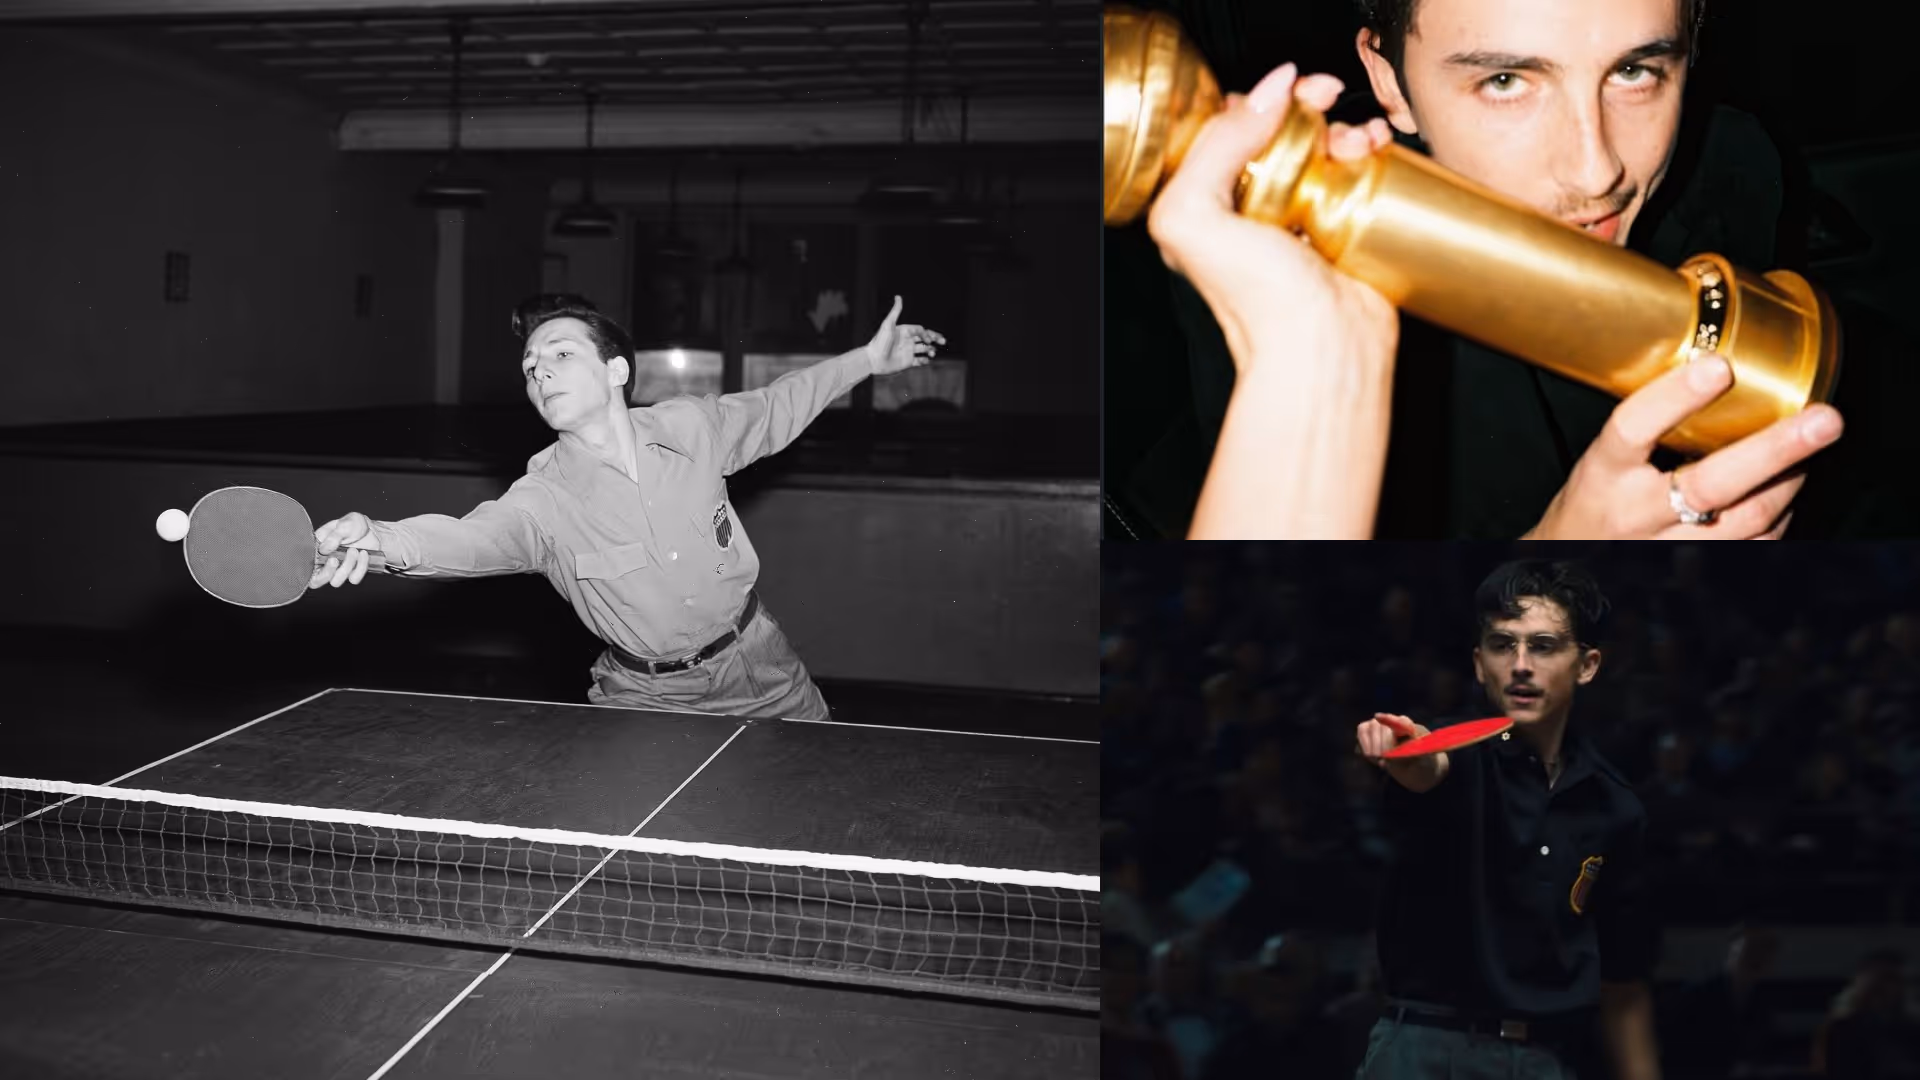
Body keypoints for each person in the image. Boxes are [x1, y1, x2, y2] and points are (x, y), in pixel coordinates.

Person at [1142, 0, 1852, 539]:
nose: (1595, 168)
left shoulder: (1733, 167)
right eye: (1506, 81)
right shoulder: (1274, 280)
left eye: (1635, 72)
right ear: (1388, 81)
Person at [305, 292, 944, 721]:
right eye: (531, 367)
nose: (541, 373)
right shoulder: (542, 499)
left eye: (561, 356)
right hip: (649, 697)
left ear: (616, 372)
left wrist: (867, 360)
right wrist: (379, 540)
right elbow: (472, 539)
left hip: (764, 664)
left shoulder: (694, 427)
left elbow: (781, 405)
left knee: (818, 812)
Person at [1351, 560, 1660, 1079]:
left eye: (1542, 645)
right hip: (1421, 1049)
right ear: (1479, 664)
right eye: (1502, 645)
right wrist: (1403, 753)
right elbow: (1426, 768)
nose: (1520, 664)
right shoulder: (1455, 753)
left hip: (1543, 1060)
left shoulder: (1616, 807)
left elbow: (1624, 984)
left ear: (1586, 665)